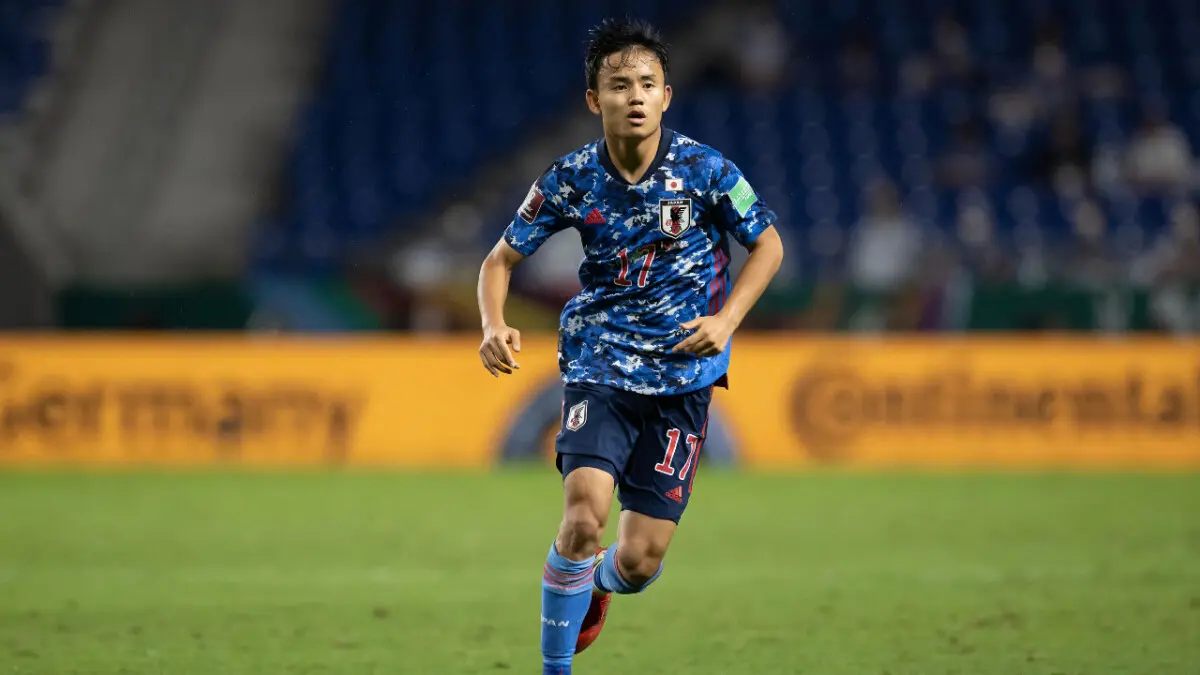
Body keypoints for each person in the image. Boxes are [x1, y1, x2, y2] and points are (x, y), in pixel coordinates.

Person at [475, 18, 784, 674]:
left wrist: (727, 321)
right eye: (620, 85)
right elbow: (498, 260)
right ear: (595, 99)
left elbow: (768, 244)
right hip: (601, 365)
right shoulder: (570, 178)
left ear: (666, 96)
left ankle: (594, 586)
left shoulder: (706, 170)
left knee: (640, 561)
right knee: (583, 517)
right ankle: (555, 667)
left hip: (683, 377)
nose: (635, 95)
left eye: (647, 83)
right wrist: (492, 323)